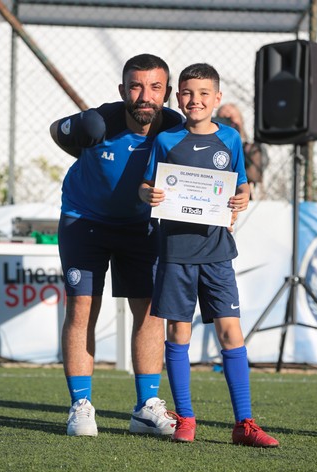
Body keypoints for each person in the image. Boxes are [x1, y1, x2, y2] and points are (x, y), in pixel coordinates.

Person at [139, 63, 279, 447]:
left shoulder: (231, 139)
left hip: (217, 252)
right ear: (177, 97)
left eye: (203, 93)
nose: (195, 100)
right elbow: (147, 185)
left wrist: (242, 197)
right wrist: (147, 194)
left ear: (217, 98)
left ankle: (244, 424)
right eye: (187, 92)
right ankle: (185, 418)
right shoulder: (166, 140)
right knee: (179, 332)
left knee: (231, 333)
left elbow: (241, 186)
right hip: (175, 252)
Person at [50, 54, 183, 437]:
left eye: (155, 87)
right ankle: (81, 405)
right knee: (81, 307)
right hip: (84, 220)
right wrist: (83, 149)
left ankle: (145, 408)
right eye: (136, 86)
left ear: (167, 93)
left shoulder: (175, 128)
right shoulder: (97, 121)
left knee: (150, 311)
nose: (145, 95)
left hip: (139, 227)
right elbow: (57, 131)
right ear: (123, 90)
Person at [216, 103, 269, 199]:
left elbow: (261, 164)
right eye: (223, 118)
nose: (228, 121)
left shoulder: (250, 147)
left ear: (240, 120)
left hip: (242, 188)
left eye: (231, 118)